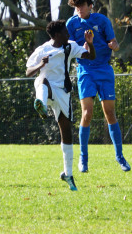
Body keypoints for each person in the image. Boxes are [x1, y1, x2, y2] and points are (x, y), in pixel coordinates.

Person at [66, 0, 131, 173]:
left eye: (82, 6)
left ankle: (120, 157)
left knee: (109, 113)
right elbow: (67, 48)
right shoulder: (71, 24)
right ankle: (83, 159)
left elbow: (114, 44)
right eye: (76, 6)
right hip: (85, 70)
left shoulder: (102, 21)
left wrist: (115, 46)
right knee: (87, 113)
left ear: (90, 5)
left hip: (104, 70)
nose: (79, 9)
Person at [26, 20, 95, 191]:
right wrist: (40, 65)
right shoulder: (43, 50)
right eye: (66, 32)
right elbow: (28, 71)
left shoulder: (70, 46)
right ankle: (40, 104)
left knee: (67, 133)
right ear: (57, 35)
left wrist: (91, 44)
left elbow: (90, 56)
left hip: (63, 92)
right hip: (46, 87)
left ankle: (68, 174)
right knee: (41, 80)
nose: (69, 35)